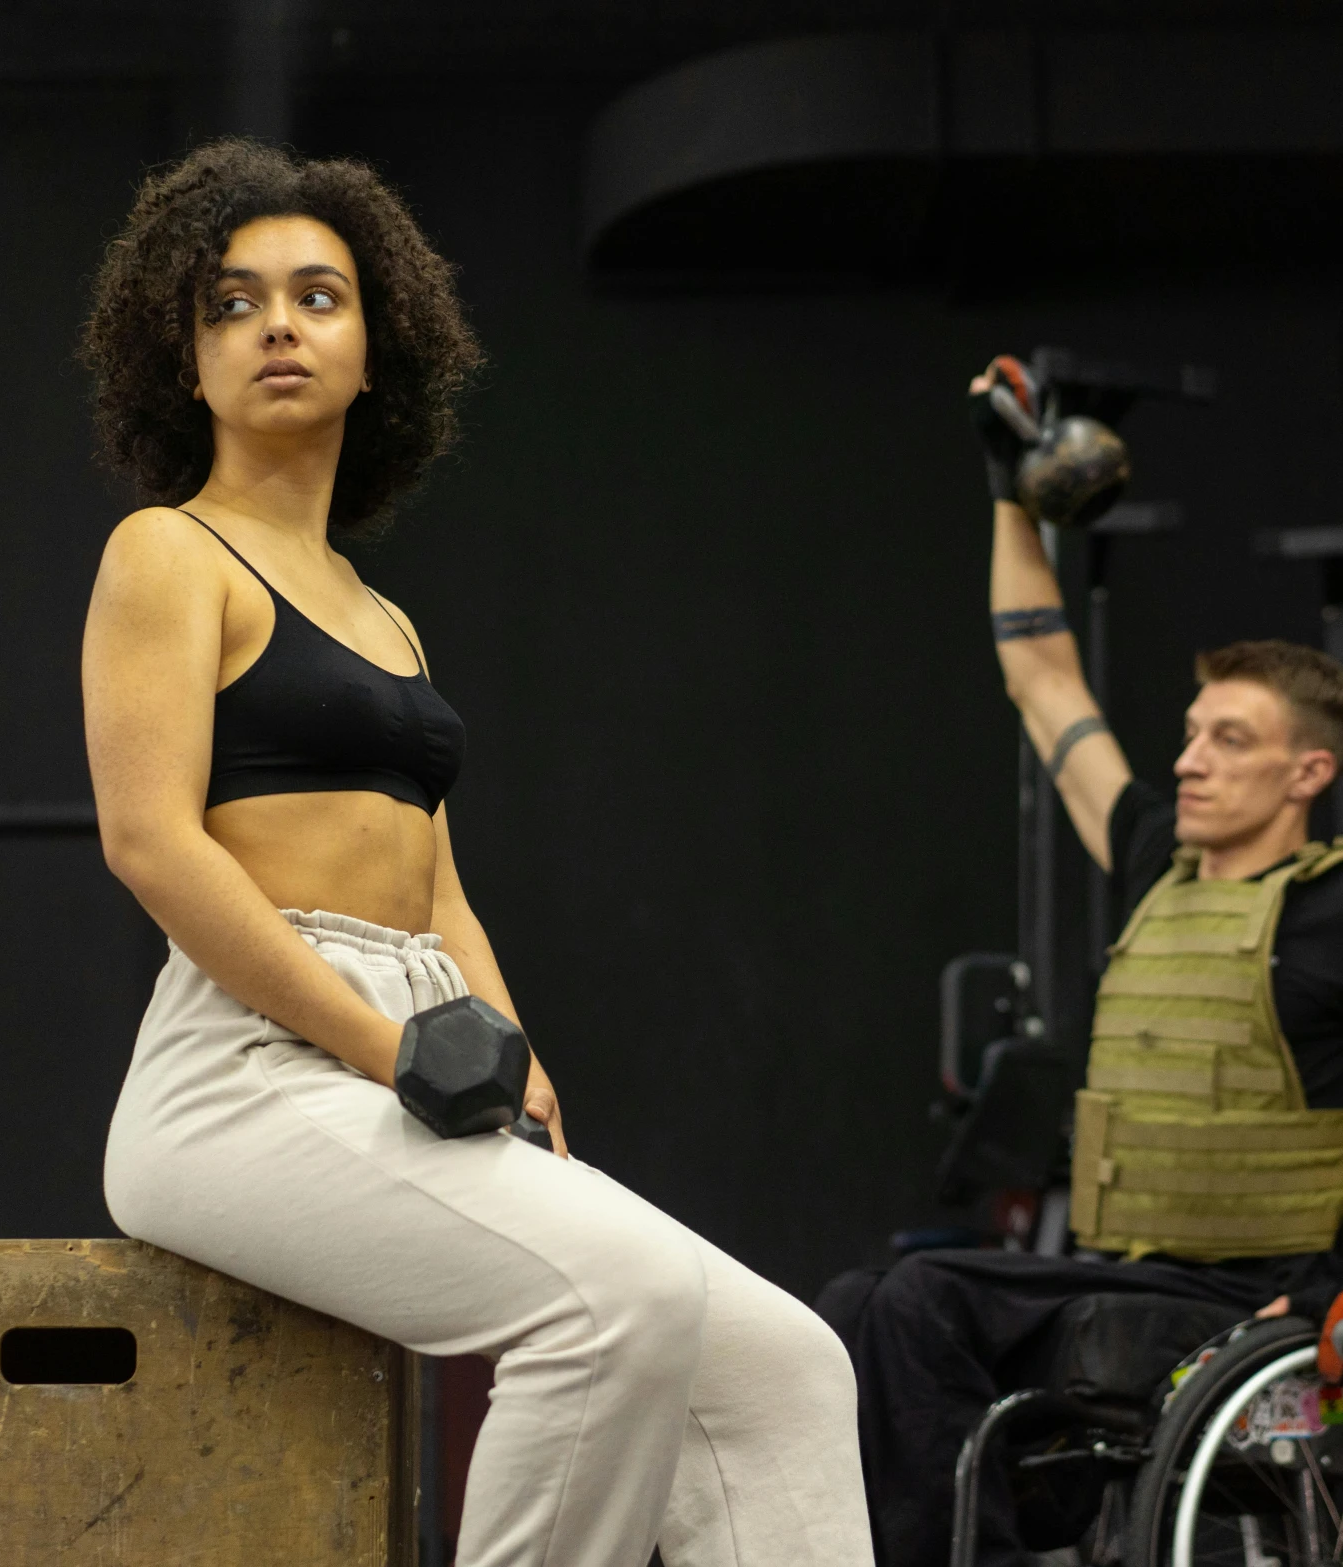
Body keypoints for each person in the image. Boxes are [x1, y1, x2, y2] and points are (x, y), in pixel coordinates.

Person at [79, 139, 870, 1567]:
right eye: (232, 301)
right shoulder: (167, 552)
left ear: (376, 350)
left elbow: (433, 884)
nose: (275, 322)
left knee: (783, 1366)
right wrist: (395, 1050)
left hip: (418, 1020)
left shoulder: (386, 621)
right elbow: (151, 842)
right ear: (182, 360)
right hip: (240, 1071)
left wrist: (507, 1047)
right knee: (613, 1299)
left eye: (316, 295)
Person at [815, 359, 1343, 1567]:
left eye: (1229, 739)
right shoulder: (1154, 858)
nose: (1189, 760)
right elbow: (1038, 671)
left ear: (1307, 773)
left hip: (1250, 1299)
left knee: (911, 1304)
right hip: (1123, 1275)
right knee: (856, 1307)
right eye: (1187, 735)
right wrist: (1009, 487)